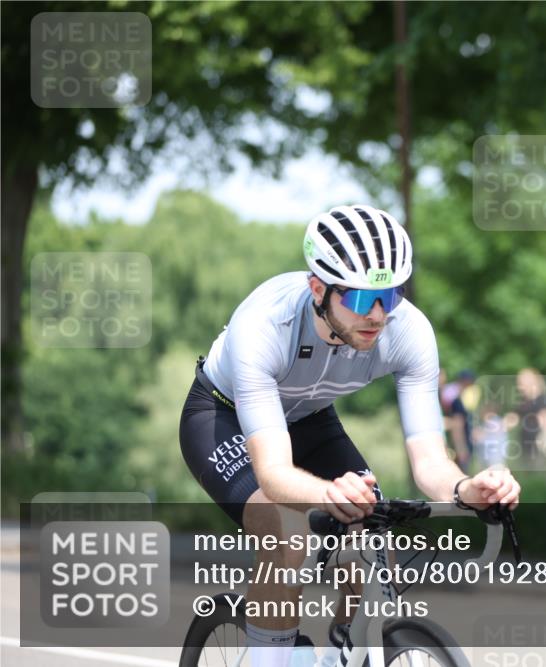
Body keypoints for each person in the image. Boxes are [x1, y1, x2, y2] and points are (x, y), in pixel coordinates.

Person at [179, 205, 520, 667]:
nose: (378, 315)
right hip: (224, 417)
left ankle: (345, 653)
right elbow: (274, 473)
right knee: (289, 532)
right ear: (318, 288)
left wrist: (466, 488)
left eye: (390, 295)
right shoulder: (264, 324)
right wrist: (325, 493)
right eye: (360, 299)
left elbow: (430, 462)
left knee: (372, 541)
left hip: (311, 419)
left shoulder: (409, 331)